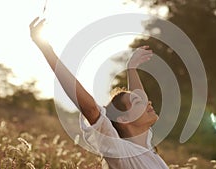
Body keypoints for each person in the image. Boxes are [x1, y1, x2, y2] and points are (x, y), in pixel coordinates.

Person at [29, 17, 168, 169]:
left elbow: (139, 95)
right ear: (124, 119)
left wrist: (131, 68)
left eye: (142, 100)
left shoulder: (145, 148)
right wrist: (47, 50)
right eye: (137, 102)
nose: (148, 101)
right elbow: (90, 109)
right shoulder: (121, 152)